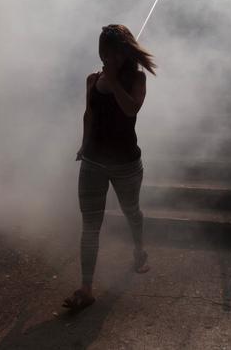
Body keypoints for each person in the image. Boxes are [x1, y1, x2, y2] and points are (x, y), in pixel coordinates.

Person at [63, 24, 157, 312]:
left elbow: (131, 109)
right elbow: (89, 115)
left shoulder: (137, 79)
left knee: (131, 211)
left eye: (115, 53)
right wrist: (83, 145)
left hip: (126, 163)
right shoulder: (92, 80)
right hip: (93, 161)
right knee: (90, 225)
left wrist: (114, 81)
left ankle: (139, 251)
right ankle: (86, 288)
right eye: (105, 52)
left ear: (126, 53)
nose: (109, 58)